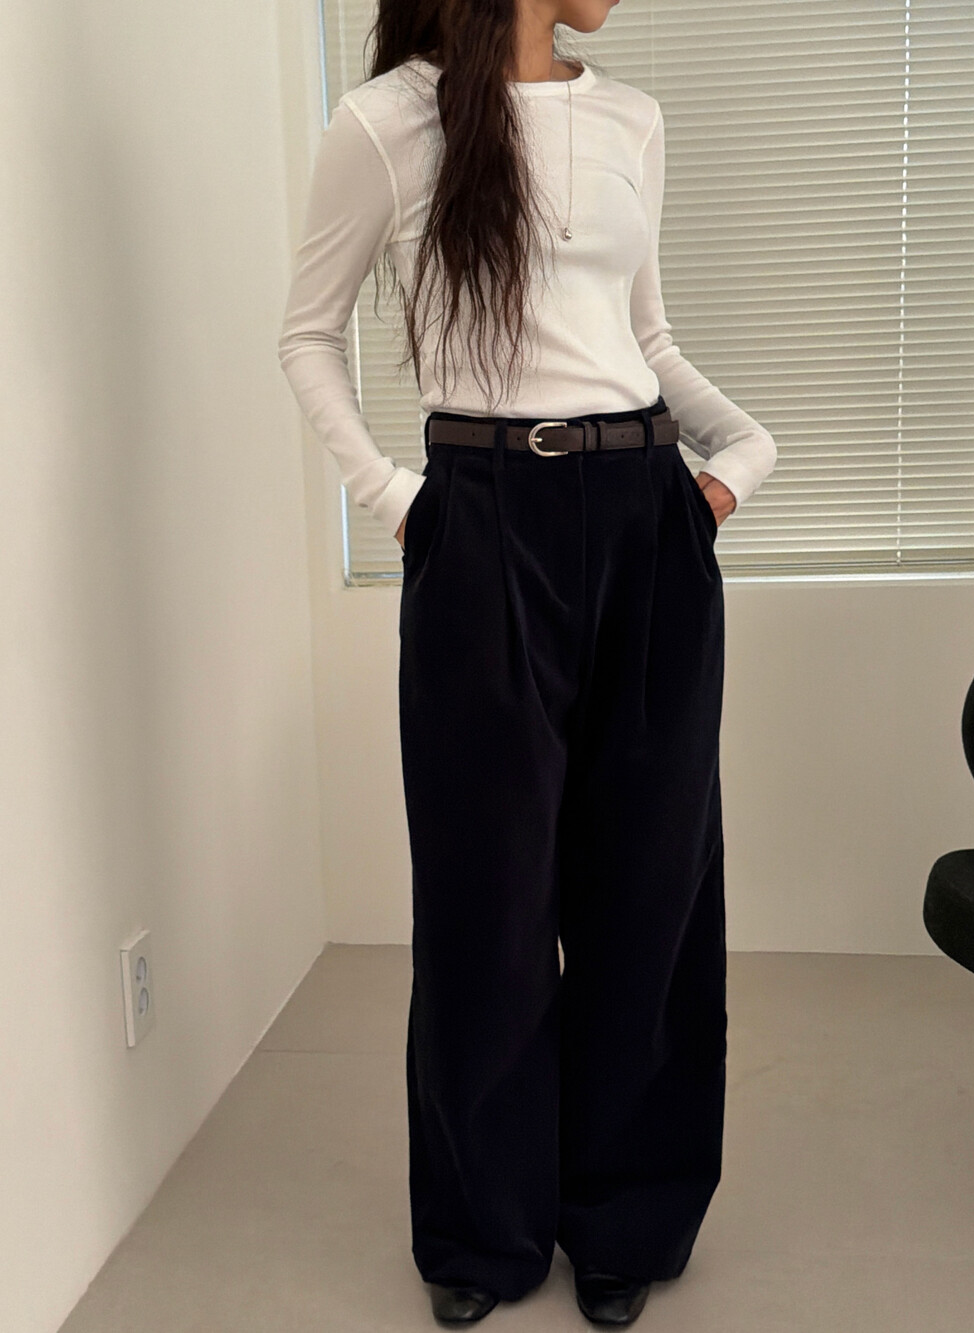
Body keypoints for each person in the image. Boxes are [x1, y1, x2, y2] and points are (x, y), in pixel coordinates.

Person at [278, 1, 777, 1326]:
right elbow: (306, 334)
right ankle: (481, 1229)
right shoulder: (386, 123)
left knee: (651, 883)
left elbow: (647, 340)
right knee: (485, 898)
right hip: (481, 520)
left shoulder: (632, 120)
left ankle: (626, 1215)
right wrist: (404, 504)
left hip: (645, 518)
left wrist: (740, 460)